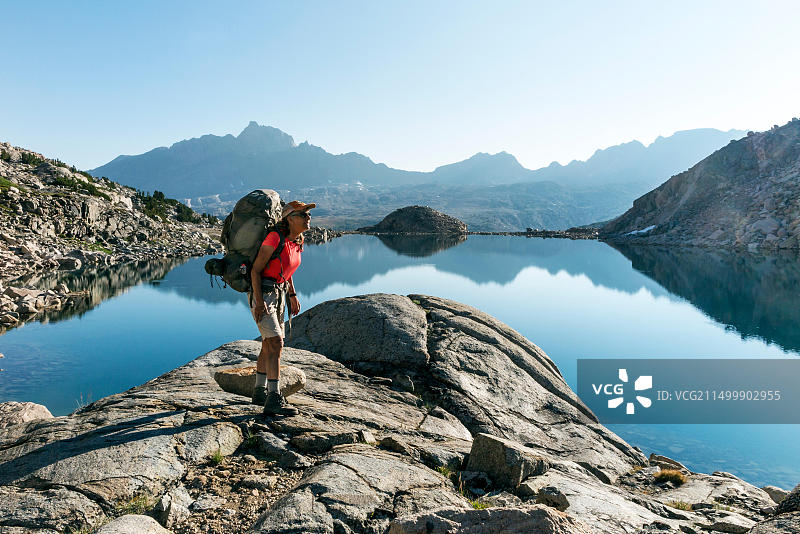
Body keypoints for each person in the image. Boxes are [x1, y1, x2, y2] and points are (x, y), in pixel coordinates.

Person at [249, 200, 314, 416]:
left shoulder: (297, 240)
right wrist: (259, 302)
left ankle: (259, 392)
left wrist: (292, 294)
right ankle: (274, 398)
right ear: (290, 219)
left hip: (280, 293)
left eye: (308, 214)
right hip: (264, 293)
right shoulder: (274, 238)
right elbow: (256, 270)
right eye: (303, 214)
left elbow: (287, 269)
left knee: (268, 344)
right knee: (276, 343)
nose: (308, 217)